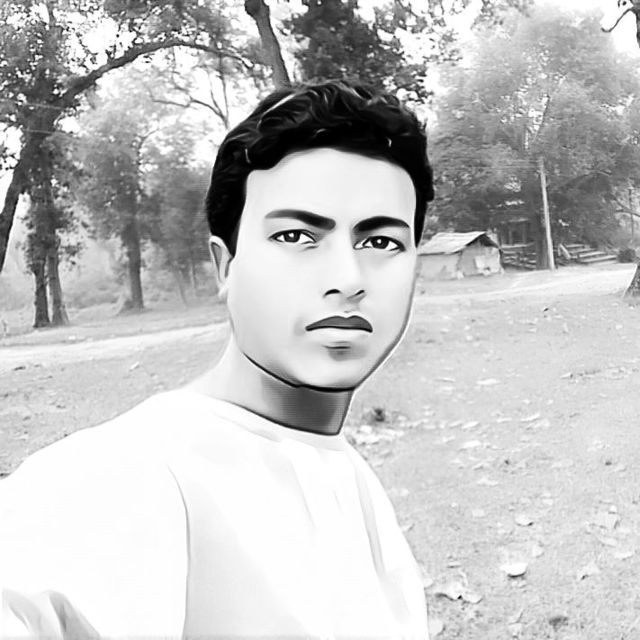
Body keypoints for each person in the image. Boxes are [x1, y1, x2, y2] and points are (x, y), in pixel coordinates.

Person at [0, 80, 434, 639]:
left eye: (381, 243)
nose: (347, 279)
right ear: (225, 266)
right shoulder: (127, 472)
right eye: (297, 236)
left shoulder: (350, 476)